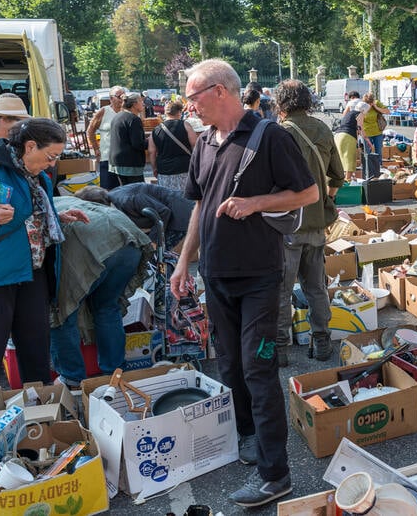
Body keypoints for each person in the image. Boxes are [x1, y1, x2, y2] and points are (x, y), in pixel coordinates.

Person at [170, 59, 317, 507]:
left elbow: (309, 193)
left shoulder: (270, 135)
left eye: (193, 97)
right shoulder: (204, 142)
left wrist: (255, 203)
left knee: (259, 369)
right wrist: (183, 264)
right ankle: (249, 436)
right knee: (230, 367)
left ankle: (277, 475)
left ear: (219, 91)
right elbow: (199, 208)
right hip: (215, 275)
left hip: (259, 275)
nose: (188, 106)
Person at [0, 119, 88, 433]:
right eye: (50, 156)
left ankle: (39, 409)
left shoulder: (40, 176)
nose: (53, 164)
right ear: (30, 146)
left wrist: (57, 215)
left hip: (33, 271)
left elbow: (31, 214)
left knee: (36, 342)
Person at [274, 79, 345, 366]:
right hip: (316, 222)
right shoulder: (322, 129)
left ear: (281, 104)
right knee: (316, 287)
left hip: (285, 223)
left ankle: (280, 349)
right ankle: (322, 340)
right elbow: (338, 176)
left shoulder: (276, 133)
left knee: (281, 288)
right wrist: (324, 198)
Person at [49, 195, 152, 388]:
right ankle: (115, 372)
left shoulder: (35, 208)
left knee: (61, 313)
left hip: (95, 242)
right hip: (128, 238)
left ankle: (71, 380)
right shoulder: (62, 200)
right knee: (107, 307)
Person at [77, 182, 195, 250]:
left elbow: (163, 212)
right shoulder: (115, 197)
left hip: (179, 216)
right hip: (173, 215)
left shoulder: (127, 200)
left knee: (158, 257)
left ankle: (165, 287)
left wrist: (153, 241)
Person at [148, 100, 197, 192]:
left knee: (167, 198)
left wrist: (154, 168)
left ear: (166, 113)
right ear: (179, 112)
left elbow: (151, 152)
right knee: (185, 198)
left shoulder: (156, 130)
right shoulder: (185, 125)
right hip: (184, 168)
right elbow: (195, 145)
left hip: (164, 170)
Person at [86, 86, 125, 189]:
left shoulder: (127, 112)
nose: (122, 99)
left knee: (125, 190)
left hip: (125, 158)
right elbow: (90, 131)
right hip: (107, 156)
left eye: (123, 96)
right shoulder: (104, 111)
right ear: (111, 98)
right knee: (107, 189)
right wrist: (96, 149)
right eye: (119, 96)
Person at [109, 92, 147, 185]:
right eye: (141, 101)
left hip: (116, 161)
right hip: (130, 162)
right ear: (134, 104)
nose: (143, 104)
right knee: (136, 192)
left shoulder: (117, 116)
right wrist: (151, 141)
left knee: (125, 191)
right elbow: (138, 144)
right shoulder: (133, 119)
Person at [333, 93, 367, 182]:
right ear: (364, 110)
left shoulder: (350, 113)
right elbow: (360, 129)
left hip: (337, 136)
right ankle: (347, 181)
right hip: (347, 136)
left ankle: (340, 181)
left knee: (340, 159)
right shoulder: (360, 114)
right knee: (350, 159)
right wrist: (367, 142)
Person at [362, 92, 388, 156]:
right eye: (367, 103)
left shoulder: (377, 103)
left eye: (370, 103)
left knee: (379, 152)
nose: (369, 105)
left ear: (373, 101)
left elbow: (387, 111)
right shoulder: (362, 105)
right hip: (366, 132)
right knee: (367, 153)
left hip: (377, 132)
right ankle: (367, 165)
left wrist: (376, 107)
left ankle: (379, 165)